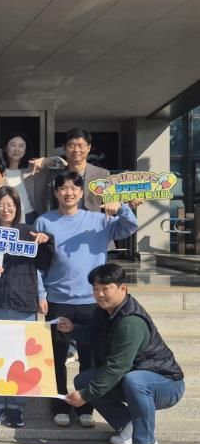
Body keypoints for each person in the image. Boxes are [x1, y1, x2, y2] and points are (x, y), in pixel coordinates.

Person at [34, 171, 139, 428]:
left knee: (91, 359)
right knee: (55, 357)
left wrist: (121, 207)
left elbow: (129, 226)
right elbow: (37, 262)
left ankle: (86, 407)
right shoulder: (44, 222)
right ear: (56, 192)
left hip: (94, 301)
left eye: (74, 188)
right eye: (63, 188)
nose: (68, 192)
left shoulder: (99, 219)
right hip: (58, 300)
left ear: (81, 193)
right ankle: (59, 406)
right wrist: (41, 293)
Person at [61, 263, 184, 444]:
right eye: (96, 289)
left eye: (106, 288)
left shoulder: (131, 321)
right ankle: (127, 426)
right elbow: (92, 335)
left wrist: (86, 395)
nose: (100, 294)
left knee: (133, 380)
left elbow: (117, 367)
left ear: (122, 288)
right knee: (84, 380)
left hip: (165, 383)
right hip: (131, 376)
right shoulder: (104, 311)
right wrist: (72, 329)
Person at [0, 186, 55, 427]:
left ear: (18, 208)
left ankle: (16, 408)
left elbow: (45, 263)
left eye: (10, 205)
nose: (5, 209)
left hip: (22, 303)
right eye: (1, 205)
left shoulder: (29, 233)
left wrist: (47, 242)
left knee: (20, 357)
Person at [29, 128, 112, 215]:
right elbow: (48, 207)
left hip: (94, 222)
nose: (76, 150)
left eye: (81, 145)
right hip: (62, 221)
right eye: (72, 145)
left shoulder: (102, 174)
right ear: (64, 148)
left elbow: (112, 204)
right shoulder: (54, 176)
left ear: (88, 148)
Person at [0, 132, 67, 223]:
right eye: (13, 145)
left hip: (31, 217)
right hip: (6, 217)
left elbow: (63, 164)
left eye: (21, 146)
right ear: (6, 148)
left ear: (25, 149)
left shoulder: (34, 168)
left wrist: (45, 161)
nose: (17, 149)